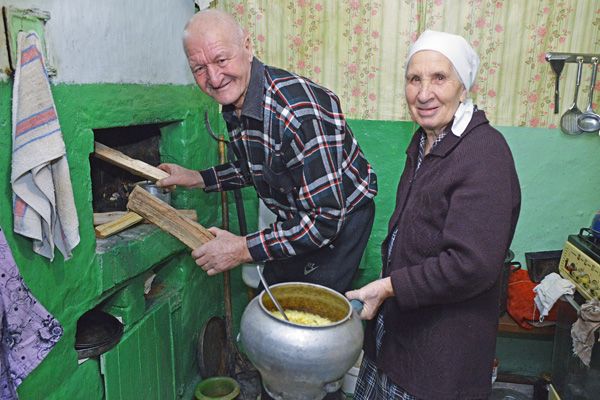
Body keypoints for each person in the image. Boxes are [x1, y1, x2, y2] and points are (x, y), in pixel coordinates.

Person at [346, 30, 521, 400]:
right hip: (396, 341)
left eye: (439, 78)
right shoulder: (424, 142)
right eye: (414, 79)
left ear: (464, 87)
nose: (424, 93)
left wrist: (390, 286)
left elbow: (470, 265)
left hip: (437, 360)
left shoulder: (484, 154)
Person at [156, 9, 377, 296]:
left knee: (303, 320)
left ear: (247, 47)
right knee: (269, 303)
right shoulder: (238, 99)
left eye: (221, 60)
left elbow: (325, 220)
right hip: (298, 218)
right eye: (199, 68)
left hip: (338, 222)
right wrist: (197, 178)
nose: (213, 77)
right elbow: (258, 166)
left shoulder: (296, 115)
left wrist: (241, 248)